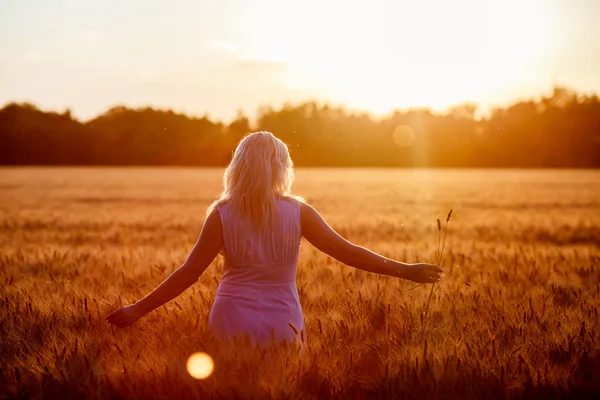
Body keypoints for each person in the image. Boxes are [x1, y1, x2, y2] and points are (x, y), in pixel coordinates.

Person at [105, 131, 443, 345]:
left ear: (238, 166)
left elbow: (189, 273)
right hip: (284, 321)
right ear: (282, 167)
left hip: (230, 317)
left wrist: (138, 309)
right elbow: (349, 253)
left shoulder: (222, 213)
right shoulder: (299, 212)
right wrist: (405, 269)